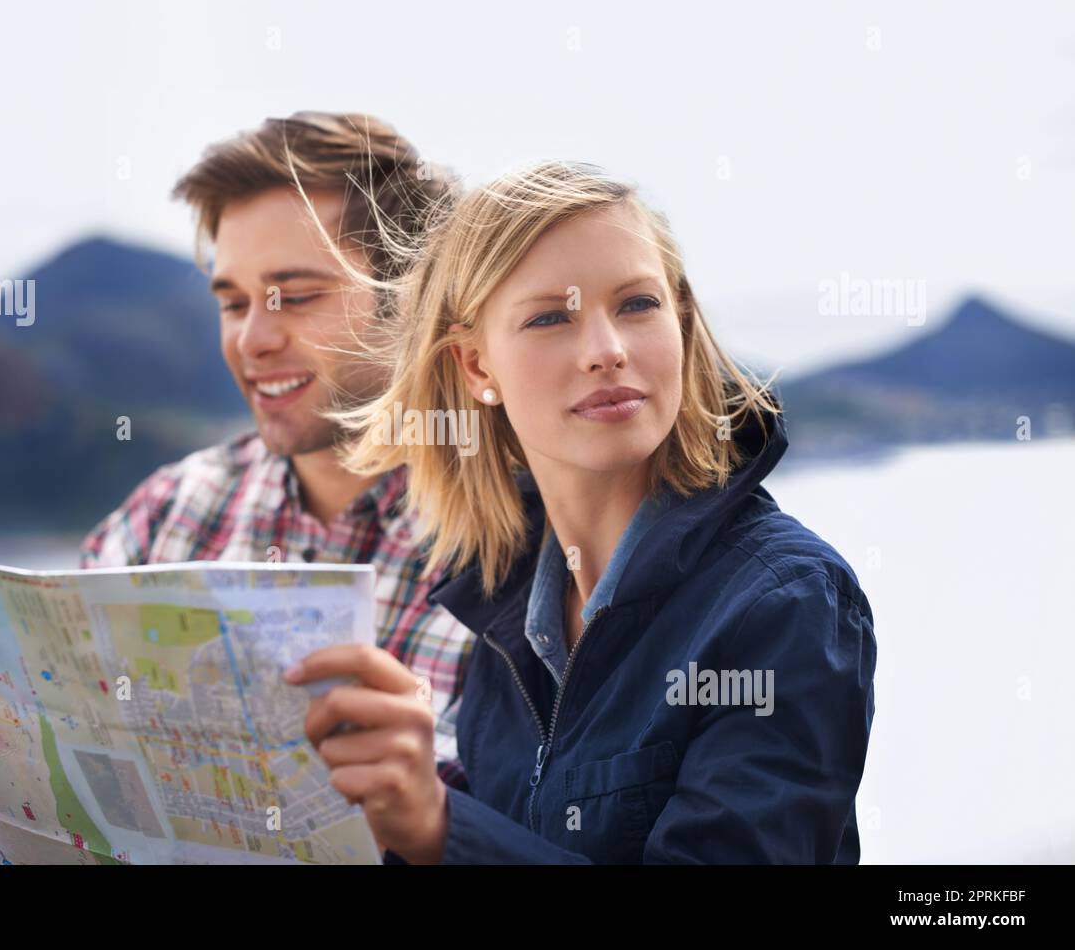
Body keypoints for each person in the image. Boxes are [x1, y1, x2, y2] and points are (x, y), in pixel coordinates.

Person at [283, 160, 877, 863]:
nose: (607, 351)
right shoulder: (499, 611)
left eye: (637, 304)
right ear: (476, 366)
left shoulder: (786, 604)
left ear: (681, 322)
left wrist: (441, 826)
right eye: (550, 317)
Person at [82, 112, 474, 776]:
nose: (251, 339)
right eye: (234, 303)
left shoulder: (526, 542)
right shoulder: (169, 511)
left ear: (414, 297)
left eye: (292, 296)